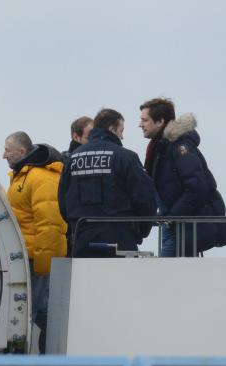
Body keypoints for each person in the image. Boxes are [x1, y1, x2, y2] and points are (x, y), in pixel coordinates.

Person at [139, 97, 226, 256]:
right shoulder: (161, 147)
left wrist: (173, 216)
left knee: (166, 276)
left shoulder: (179, 146)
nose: (140, 124)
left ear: (160, 121)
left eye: (145, 120)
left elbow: (197, 186)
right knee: (172, 276)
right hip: (175, 225)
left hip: (183, 227)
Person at [58, 108, 157, 257]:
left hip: (82, 240)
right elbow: (145, 199)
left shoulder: (72, 159)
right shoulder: (126, 157)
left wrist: (76, 226)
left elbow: (62, 200)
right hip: (120, 240)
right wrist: (140, 230)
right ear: (112, 129)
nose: (122, 136)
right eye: (121, 130)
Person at [3, 131, 67, 354]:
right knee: (39, 311)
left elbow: (50, 224)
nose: (3, 155)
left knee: (33, 310)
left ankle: (40, 361)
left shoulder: (40, 178)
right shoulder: (21, 177)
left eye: (7, 150)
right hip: (25, 257)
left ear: (22, 152)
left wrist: (44, 263)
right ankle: (50, 358)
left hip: (34, 259)